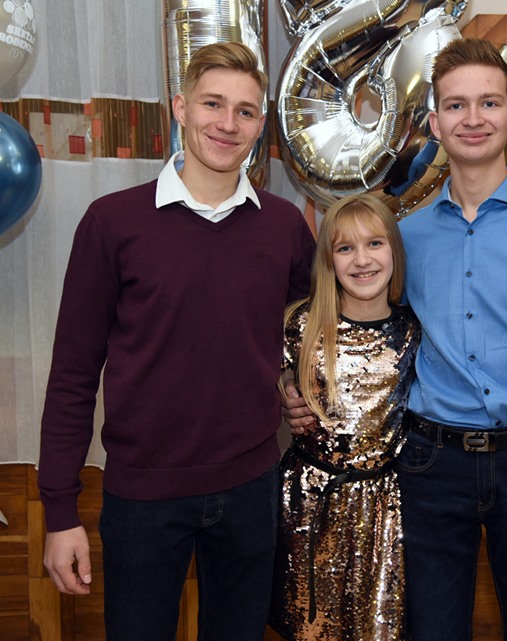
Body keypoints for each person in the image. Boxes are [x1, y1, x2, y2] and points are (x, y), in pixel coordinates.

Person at [283, 38, 507, 640]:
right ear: (436, 123)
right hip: (429, 467)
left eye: (488, 103)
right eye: (456, 105)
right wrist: (296, 385)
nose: (474, 118)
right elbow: (357, 330)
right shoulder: (404, 239)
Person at [38, 42, 316, 641]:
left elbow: (310, 329)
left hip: (251, 488)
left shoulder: (284, 226)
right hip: (142, 497)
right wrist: (59, 511)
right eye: (213, 104)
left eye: (245, 111)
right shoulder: (112, 223)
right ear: (180, 108)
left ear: (260, 126)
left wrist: (295, 385)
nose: (228, 123)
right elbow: (73, 375)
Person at [270, 194, 420, 641]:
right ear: (328, 260)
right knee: (311, 629)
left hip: (387, 512)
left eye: (374, 243)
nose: (362, 260)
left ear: (395, 250)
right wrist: (283, 389)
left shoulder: (414, 330)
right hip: (308, 505)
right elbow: (258, 379)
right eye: (345, 248)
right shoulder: (299, 325)